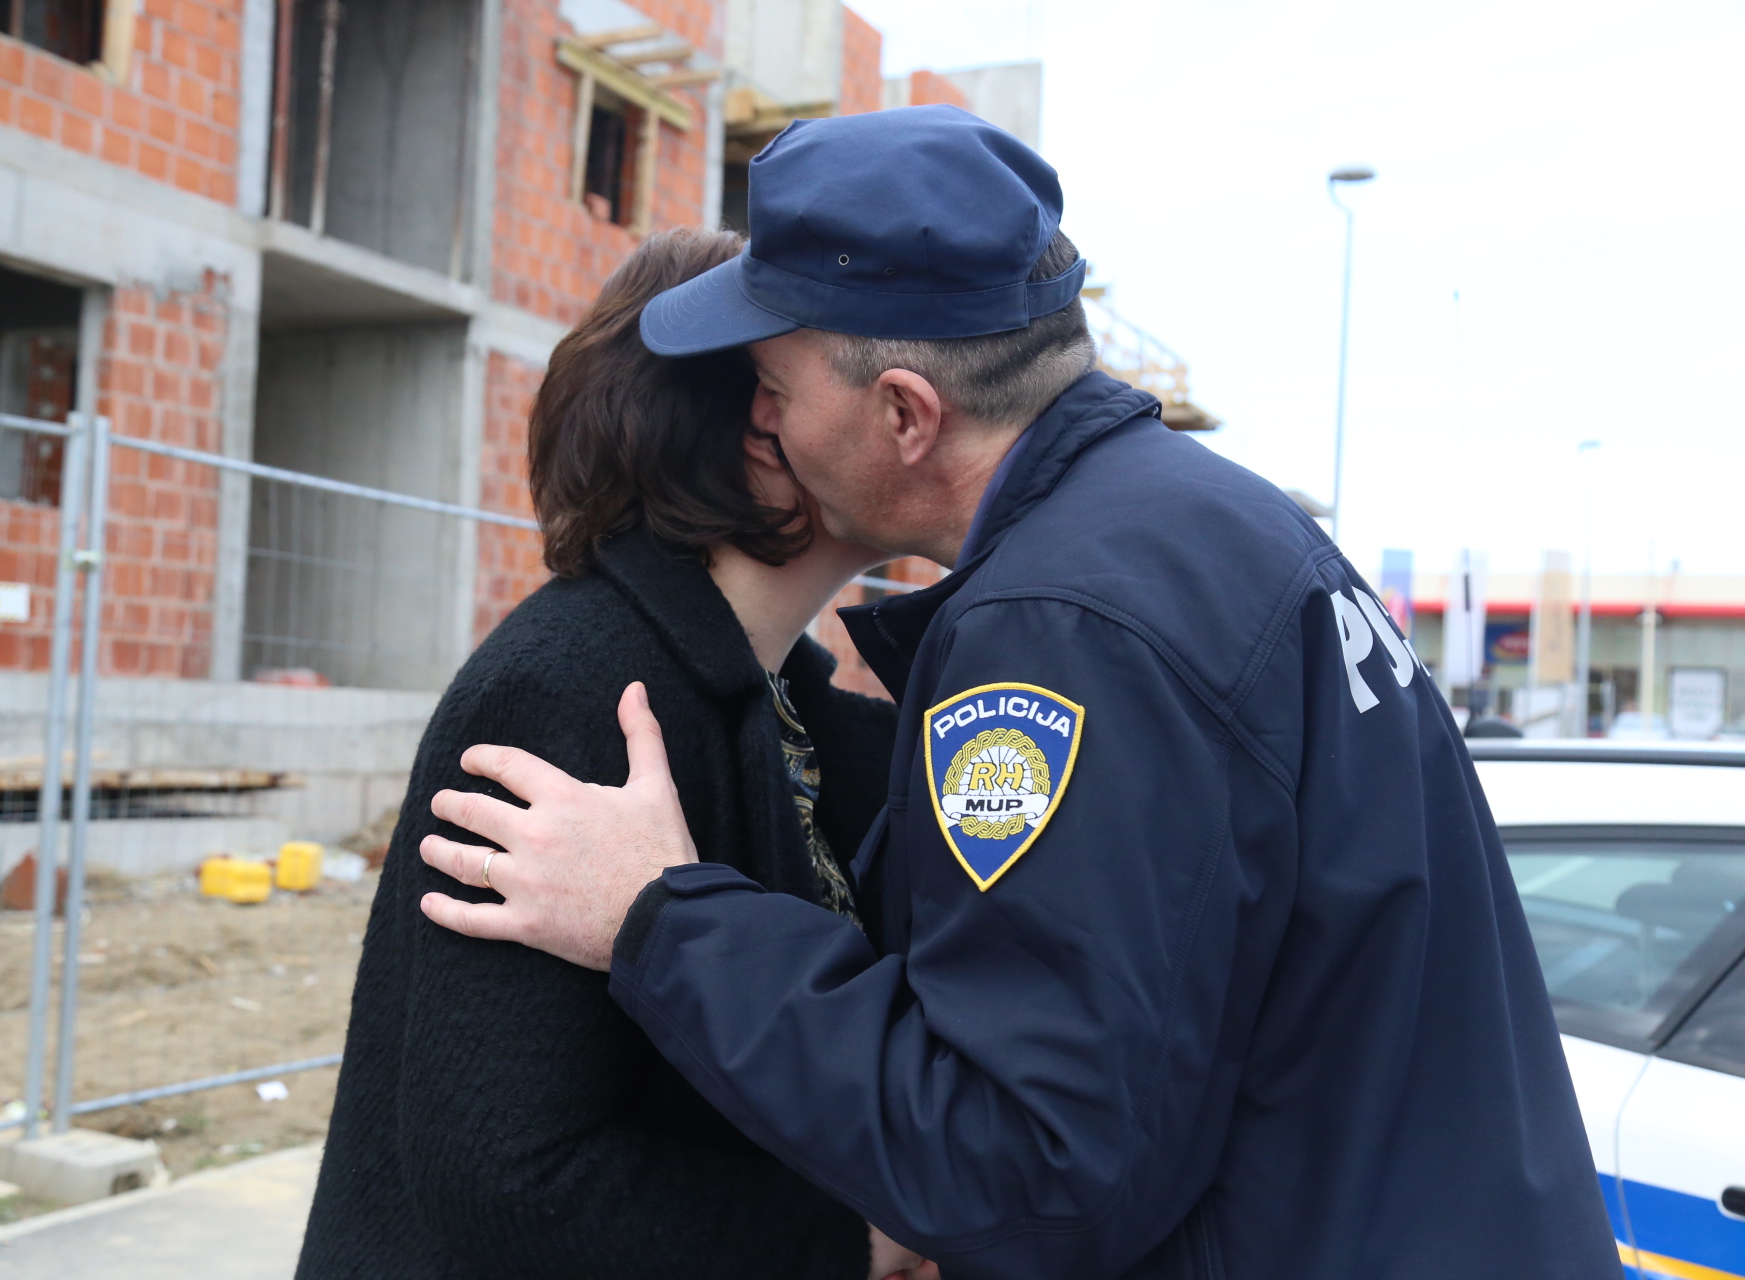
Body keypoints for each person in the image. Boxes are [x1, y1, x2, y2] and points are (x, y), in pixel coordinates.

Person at [414, 107, 1624, 1279]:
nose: (761, 421)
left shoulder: (1061, 628)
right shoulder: (1219, 526)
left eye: (774, 387)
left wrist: (661, 920)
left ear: (904, 412)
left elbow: (1033, 1171)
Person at [294, 229, 902, 1280]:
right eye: (847, 376)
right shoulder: (576, 689)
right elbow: (508, 1170)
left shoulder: (778, 698)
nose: (904, 411)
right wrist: (858, 1238)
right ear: (762, 429)